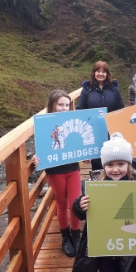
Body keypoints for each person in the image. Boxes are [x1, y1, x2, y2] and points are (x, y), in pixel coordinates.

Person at [72, 132, 136, 272]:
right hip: (105, 249)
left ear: (128, 164)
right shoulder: (93, 186)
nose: (115, 169)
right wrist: (79, 205)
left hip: (131, 250)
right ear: (104, 165)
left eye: (121, 164)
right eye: (110, 164)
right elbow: (80, 214)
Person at [33, 89, 81, 258]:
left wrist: (87, 154)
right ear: (52, 105)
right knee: (61, 203)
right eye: (60, 104)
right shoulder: (44, 124)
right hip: (55, 170)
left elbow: (79, 141)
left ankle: (76, 234)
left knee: (75, 203)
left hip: (73, 167)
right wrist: (37, 158)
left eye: (67, 105)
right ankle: (65, 236)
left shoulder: (72, 120)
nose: (64, 108)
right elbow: (41, 146)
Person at [76, 61, 124, 171]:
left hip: (111, 131)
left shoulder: (114, 89)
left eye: (103, 72)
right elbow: (80, 110)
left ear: (107, 74)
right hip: (93, 132)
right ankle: (98, 185)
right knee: (97, 162)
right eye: (98, 71)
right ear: (93, 73)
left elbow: (120, 109)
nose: (101, 74)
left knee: (113, 159)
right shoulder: (86, 90)